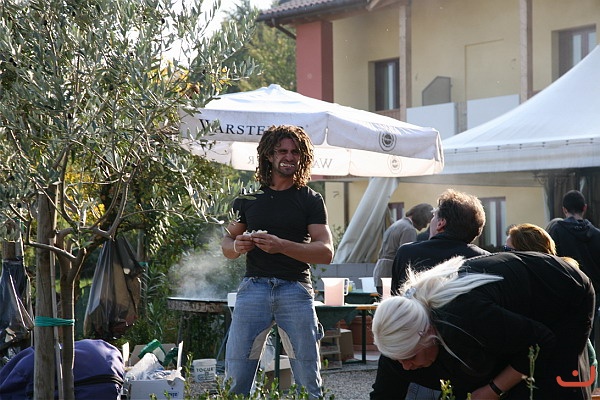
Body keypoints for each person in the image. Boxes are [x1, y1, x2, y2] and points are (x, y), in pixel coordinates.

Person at [373, 252, 595, 400]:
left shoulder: (465, 317)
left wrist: (494, 389)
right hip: (504, 317)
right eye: (399, 360)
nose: (406, 367)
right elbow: (384, 394)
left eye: (410, 357)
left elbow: (540, 342)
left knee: (548, 387)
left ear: (427, 333)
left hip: (562, 295)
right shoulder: (398, 346)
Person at [221, 125, 334, 398]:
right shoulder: (248, 198)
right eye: (282, 151)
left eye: (295, 152)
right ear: (269, 155)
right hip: (253, 287)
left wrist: (281, 246)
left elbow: (326, 252)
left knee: (309, 382)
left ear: (303, 157)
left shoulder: (310, 199)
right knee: (235, 380)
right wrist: (237, 246)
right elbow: (226, 244)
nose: (289, 157)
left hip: (295, 289)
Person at [371, 189, 490, 400]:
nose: (430, 221)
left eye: (434, 216)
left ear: (441, 223)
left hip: (416, 365)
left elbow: (401, 309)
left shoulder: (408, 253)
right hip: (467, 369)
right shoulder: (486, 260)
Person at [547, 190, 600, 346]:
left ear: (564, 209)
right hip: (593, 295)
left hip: (564, 294)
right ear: (585, 208)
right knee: (589, 340)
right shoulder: (597, 235)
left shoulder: (556, 232)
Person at [372, 203, 433, 295]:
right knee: (394, 302)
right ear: (422, 218)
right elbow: (407, 256)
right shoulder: (409, 229)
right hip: (391, 274)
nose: (425, 226)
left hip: (382, 272)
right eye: (427, 222)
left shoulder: (397, 224)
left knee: (386, 301)